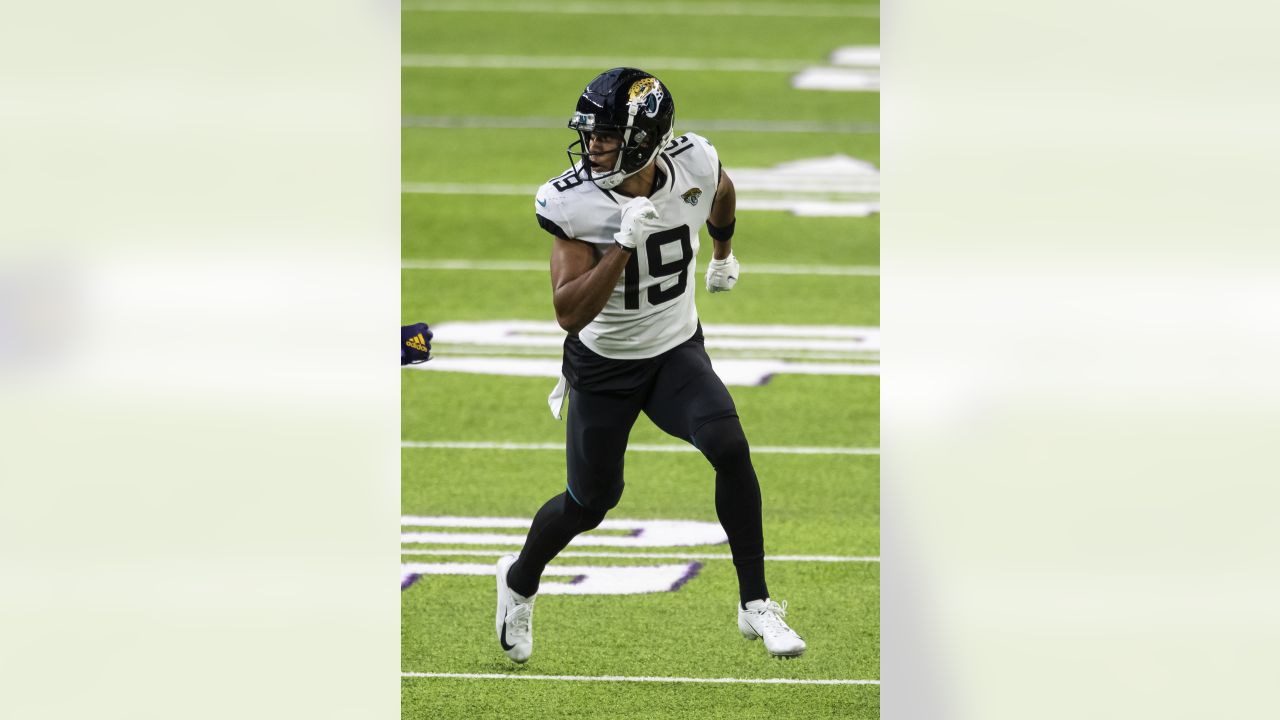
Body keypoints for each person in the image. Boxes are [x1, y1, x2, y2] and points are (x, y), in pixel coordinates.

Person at [495, 68, 806, 663]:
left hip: (674, 351)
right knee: (590, 504)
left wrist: (723, 252)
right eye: (590, 134)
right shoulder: (574, 201)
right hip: (605, 366)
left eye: (608, 135)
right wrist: (622, 244)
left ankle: (755, 604)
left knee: (729, 444)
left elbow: (721, 190)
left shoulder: (692, 161)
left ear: (646, 137)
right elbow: (568, 314)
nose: (594, 147)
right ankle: (519, 579)